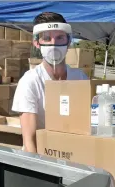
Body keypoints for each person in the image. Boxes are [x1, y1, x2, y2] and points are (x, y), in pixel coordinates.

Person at [12, 12, 88, 153]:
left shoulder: (80, 78)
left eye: (59, 37)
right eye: (47, 38)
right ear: (37, 42)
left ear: (69, 40)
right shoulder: (30, 81)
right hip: (44, 159)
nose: (54, 44)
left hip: (74, 155)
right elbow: (29, 142)